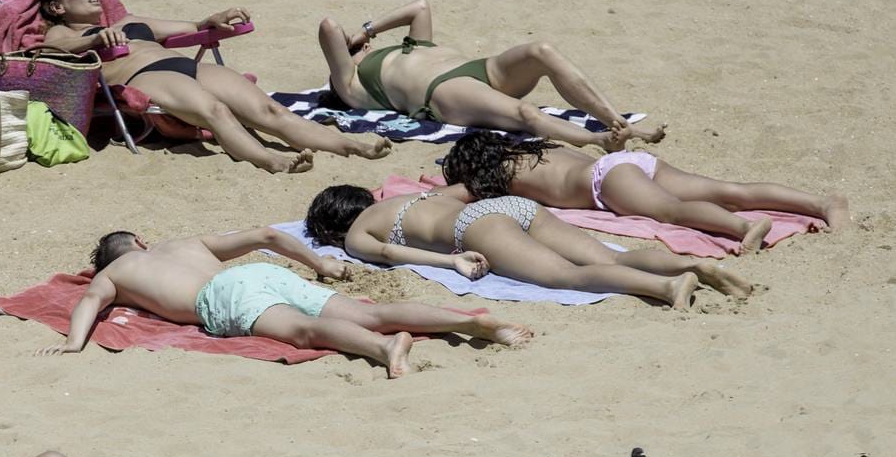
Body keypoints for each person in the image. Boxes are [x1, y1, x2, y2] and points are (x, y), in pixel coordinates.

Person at [36, 227, 533, 378]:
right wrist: (319, 263)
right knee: (369, 313)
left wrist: (75, 345)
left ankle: (386, 352)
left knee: (304, 332)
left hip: (223, 296)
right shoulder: (190, 244)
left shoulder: (115, 274)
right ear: (142, 240)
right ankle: (483, 326)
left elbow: (88, 303)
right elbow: (269, 235)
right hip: (255, 274)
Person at [38, 0, 392, 174]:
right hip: (144, 78)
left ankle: (351, 147)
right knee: (215, 111)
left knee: (270, 111)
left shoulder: (128, 21)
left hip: (181, 65)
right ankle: (272, 161)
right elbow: (48, 52)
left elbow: (191, 26)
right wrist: (94, 39)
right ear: (56, 6)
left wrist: (212, 20)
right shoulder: (61, 33)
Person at [304, 184, 755, 310]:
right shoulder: (399, 198)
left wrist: (450, 259)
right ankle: (693, 264)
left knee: (567, 277)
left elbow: (388, 255)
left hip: (474, 227)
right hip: (511, 207)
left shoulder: (361, 231)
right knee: (607, 255)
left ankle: (669, 287)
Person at [318, 0, 666, 151]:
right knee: (527, 114)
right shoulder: (350, 84)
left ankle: (618, 123)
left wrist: (368, 29)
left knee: (540, 51)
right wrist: (354, 41)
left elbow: (420, 6)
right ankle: (598, 141)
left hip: (479, 68)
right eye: (354, 49)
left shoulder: (408, 46)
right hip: (443, 92)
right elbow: (329, 26)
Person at [442, 131, 849, 250]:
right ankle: (821, 202)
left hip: (606, 183)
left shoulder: (490, 179)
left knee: (671, 212)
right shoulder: (535, 147)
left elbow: (455, 197)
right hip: (629, 163)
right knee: (729, 189)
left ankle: (742, 230)